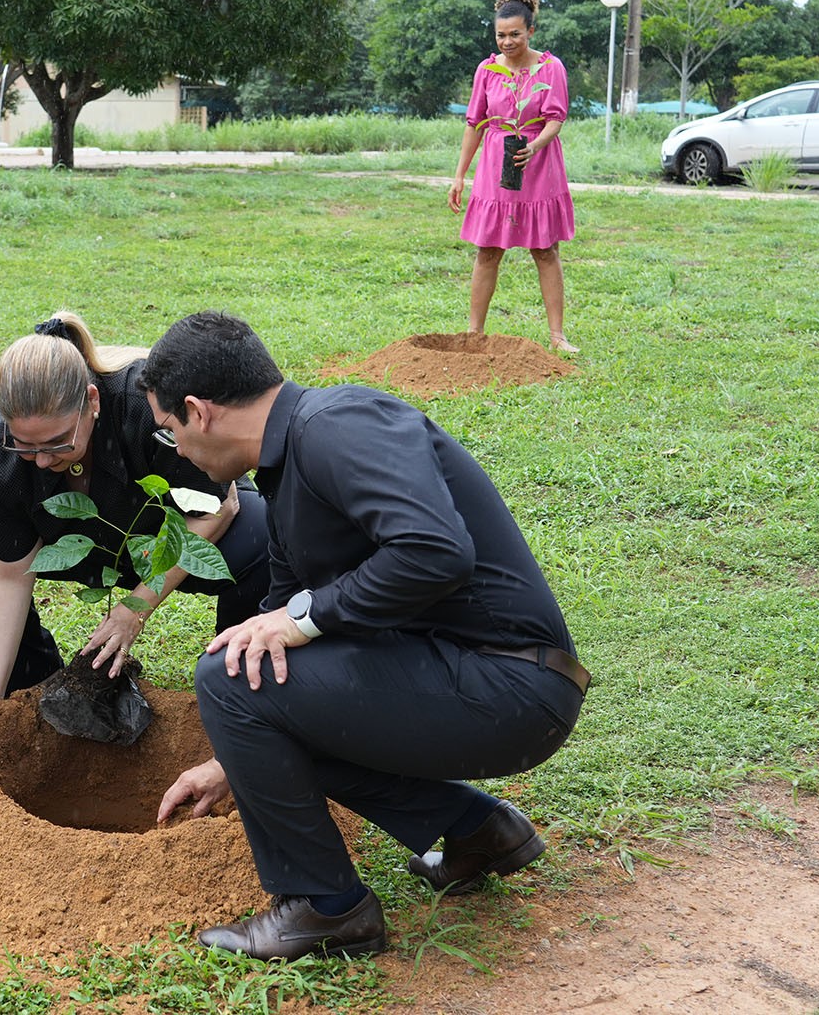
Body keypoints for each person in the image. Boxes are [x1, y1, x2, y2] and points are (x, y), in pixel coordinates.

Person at [143, 310, 588, 960]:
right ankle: (475, 830)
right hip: (474, 678)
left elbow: (435, 550)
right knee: (254, 671)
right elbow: (276, 657)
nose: (176, 450)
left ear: (197, 411)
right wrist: (232, 761)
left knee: (226, 674)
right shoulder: (287, 474)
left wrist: (302, 620)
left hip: (513, 682)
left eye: (168, 432)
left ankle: (327, 909)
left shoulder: (338, 425)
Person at [0, 312, 270, 733]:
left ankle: (234, 691)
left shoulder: (145, 408)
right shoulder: (2, 451)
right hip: (83, 539)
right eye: (26, 446)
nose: (42, 461)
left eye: (57, 443)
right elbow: (9, 577)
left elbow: (218, 507)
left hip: (167, 534)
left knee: (263, 532)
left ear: (92, 402)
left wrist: (135, 607)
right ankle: (29, 688)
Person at [447, 0, 579, 353]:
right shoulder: (487, 71)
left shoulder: (550, 68)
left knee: (546, 250)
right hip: (495, 163)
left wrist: (536, 145)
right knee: (487, 250)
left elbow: (556, 118)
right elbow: (474, 123)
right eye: (500, 35)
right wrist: (459, 175)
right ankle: (474, 334)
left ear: (531, 31)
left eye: (515, 34)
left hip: (539, 164)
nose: (507, 42)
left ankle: (557, 337)